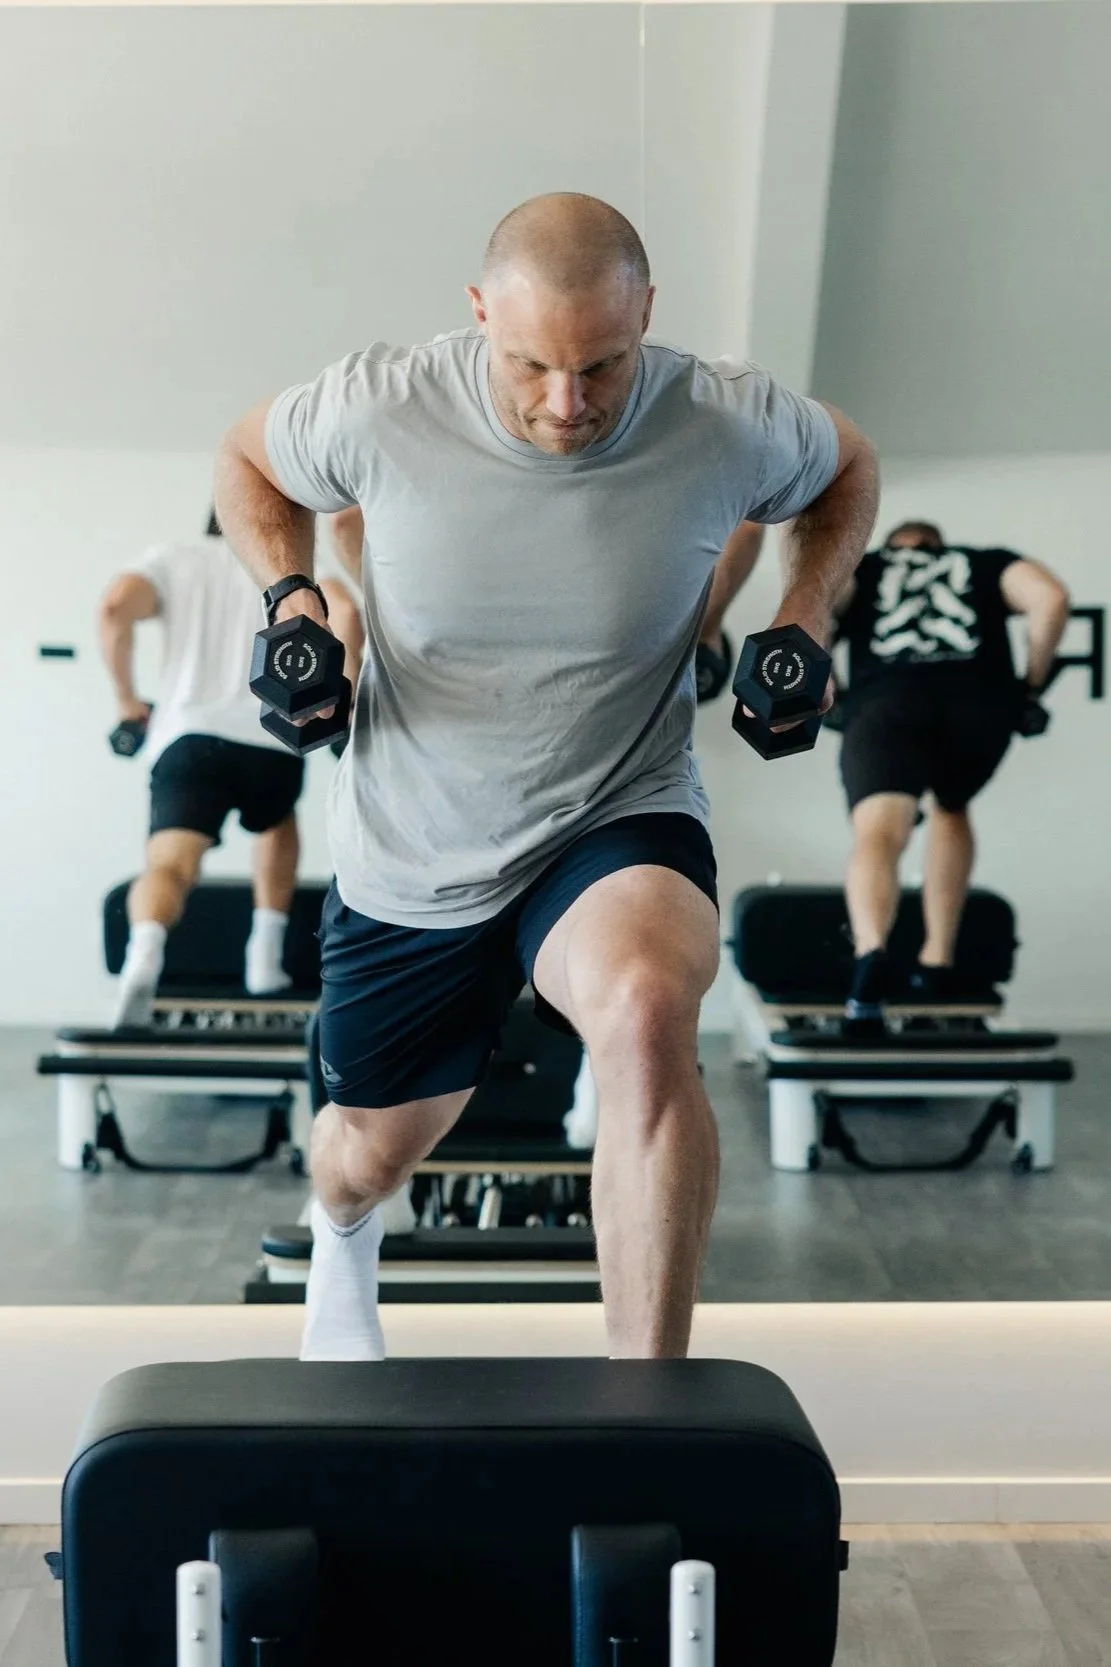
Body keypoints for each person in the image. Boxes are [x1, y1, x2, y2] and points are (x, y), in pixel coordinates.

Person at [215, 192, 878, 1361]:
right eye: (531, 365)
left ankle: (647, 1407)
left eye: (602, 366)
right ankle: (344, 1234)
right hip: (416, 839)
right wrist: (290, 596)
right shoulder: (381, 403)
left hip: (616, 804)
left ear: (646, 315)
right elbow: (246, 457)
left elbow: (846, 464)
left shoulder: (723, 417)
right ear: (480, 314)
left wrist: (805, 612)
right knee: (364, 1151)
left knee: (646, 1010)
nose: (567, 402)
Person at [99, 508, 363, 1027]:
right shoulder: (297, 576)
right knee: (276, 827)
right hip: (271, 738)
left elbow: (114, 608)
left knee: (170, 866)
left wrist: (126, 701)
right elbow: (348, 615)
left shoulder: (176, 559)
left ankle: (145, 952)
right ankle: (264, 959)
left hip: (189, 737)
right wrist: (344, 703)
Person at [835, 519, 1071, 1030]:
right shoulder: (985, 561)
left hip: (887, 705)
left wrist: (828, 688)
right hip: (978, 709)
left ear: (892, 544)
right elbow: (1051, 598)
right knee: (951, 806)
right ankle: (936, 961)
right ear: (939, 543)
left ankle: (871, 952)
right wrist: (1029, 688)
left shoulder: (866, 567)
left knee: (879, 831)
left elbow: (819, 608)